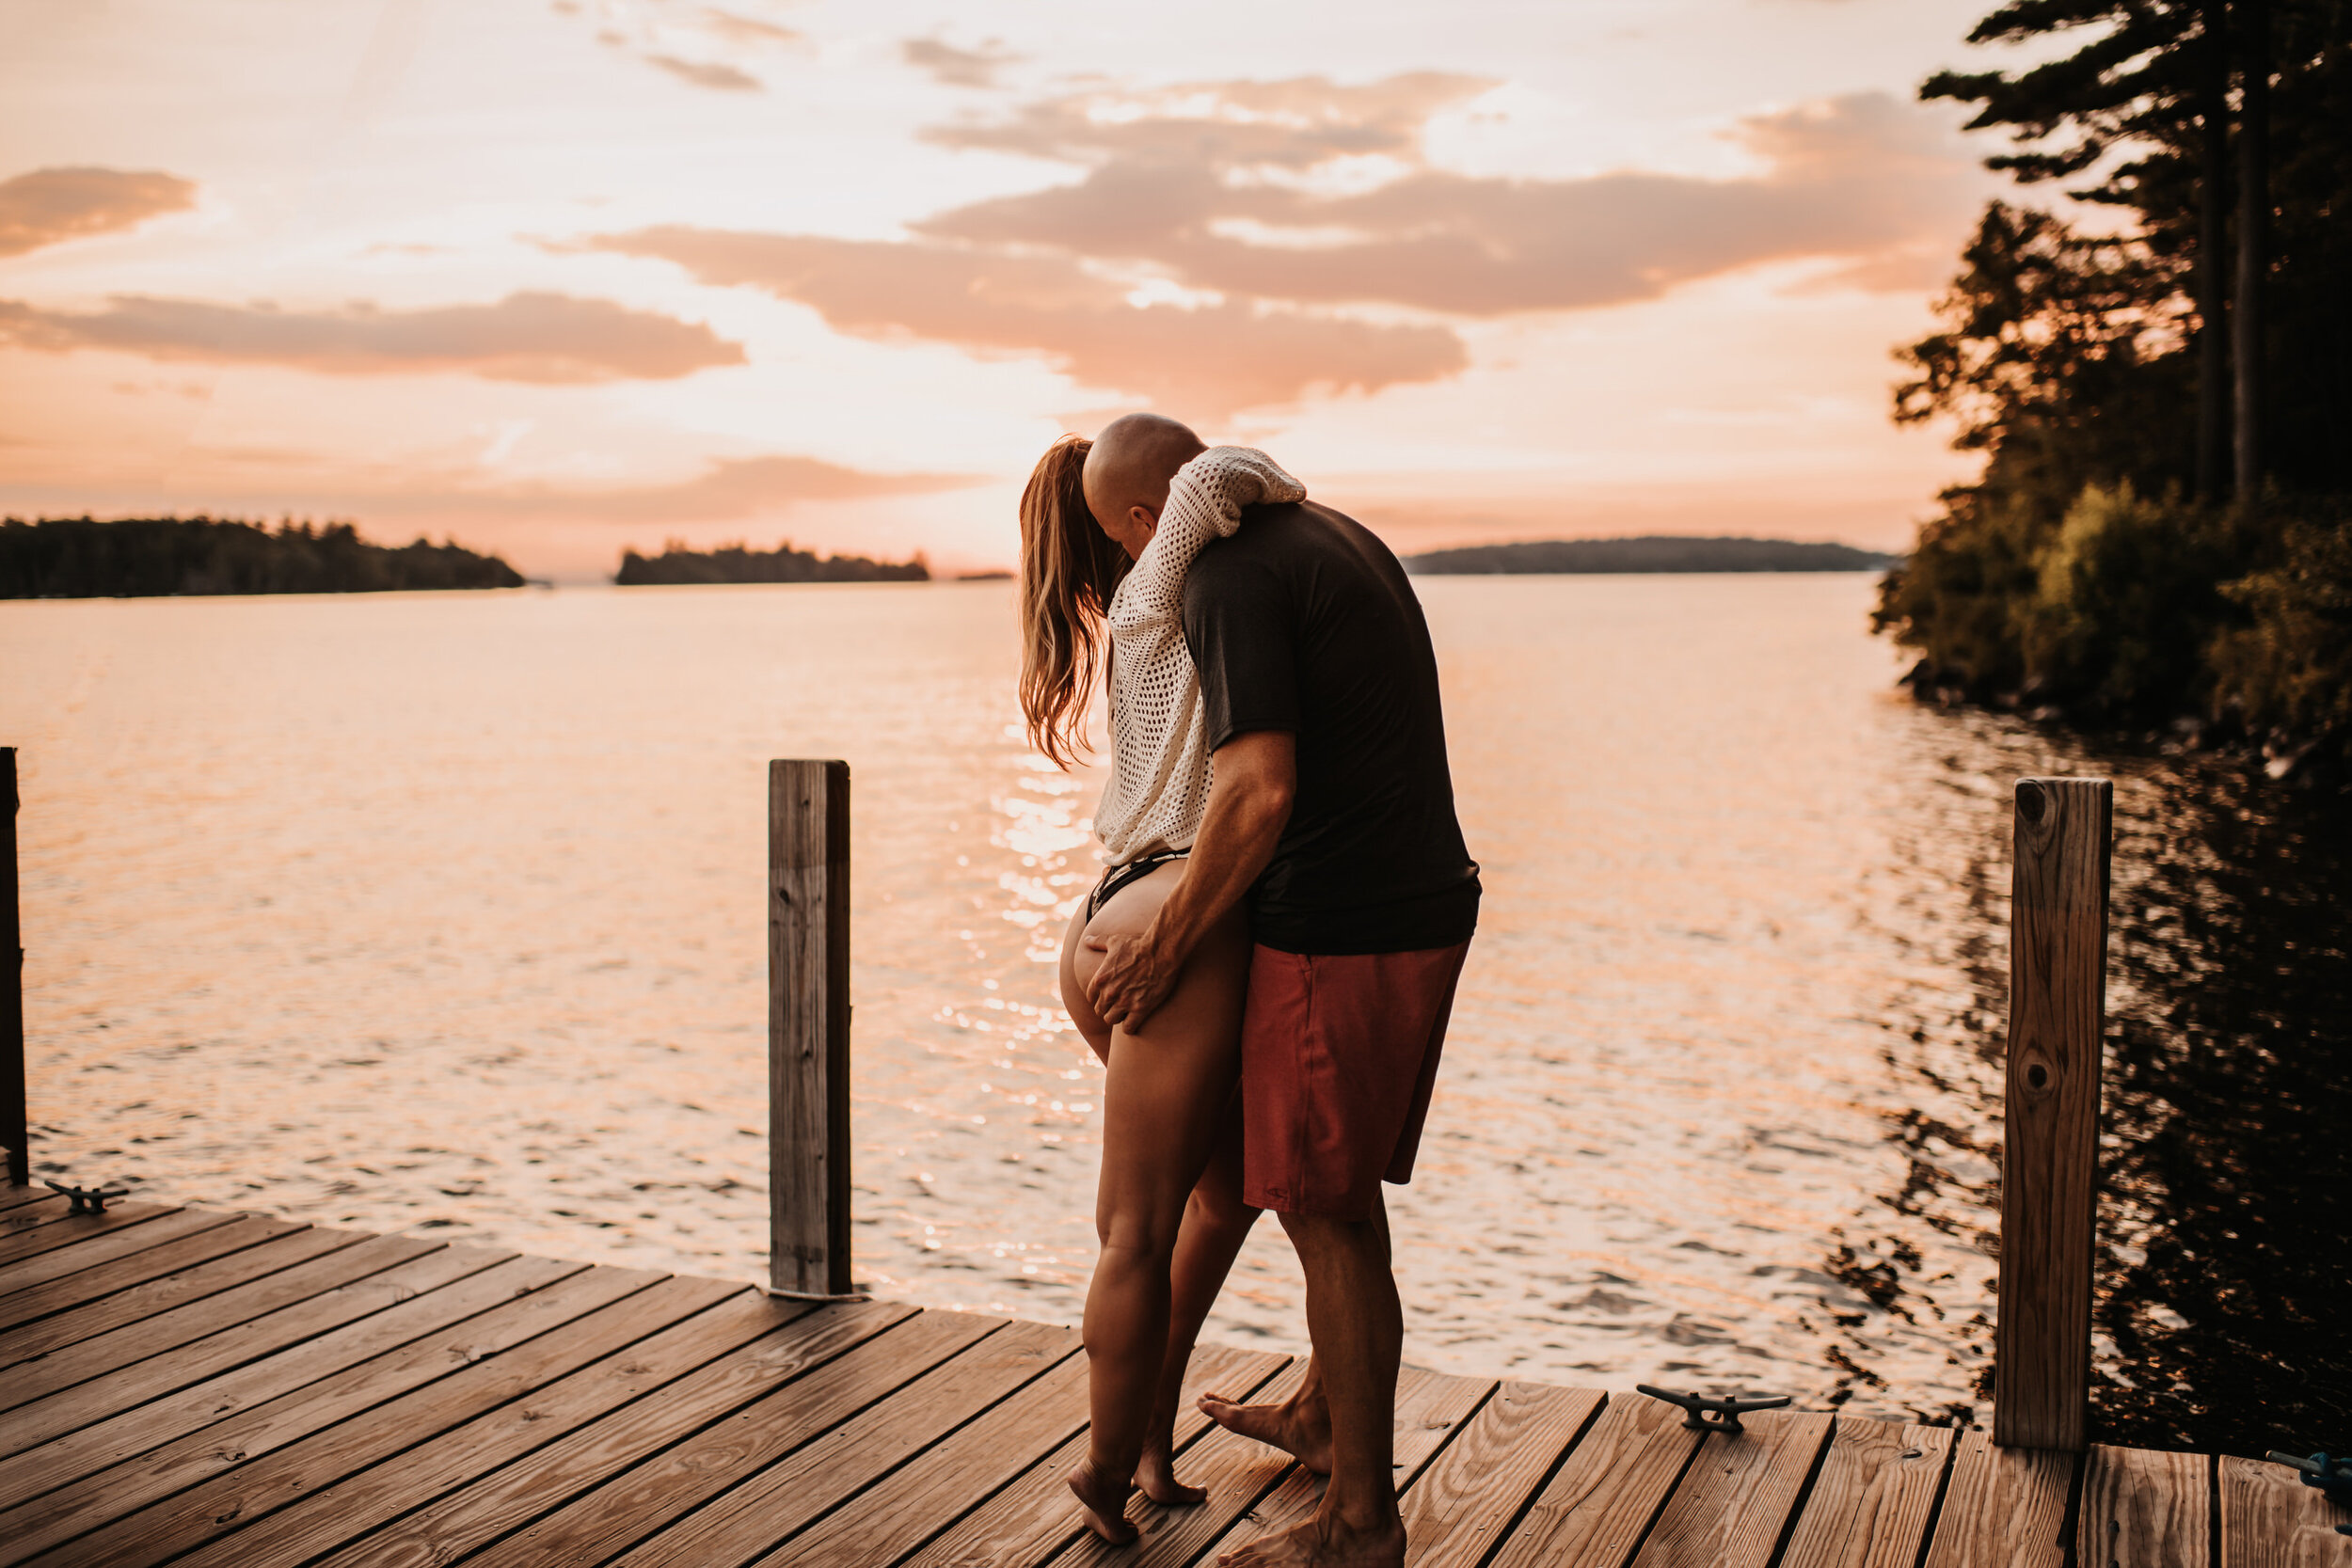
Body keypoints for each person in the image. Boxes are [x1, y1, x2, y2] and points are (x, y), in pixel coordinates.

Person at [1083, 430, 1480, 1568]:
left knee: (1329, 1217)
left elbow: (1256, 788)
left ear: (1146, 514)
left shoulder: (1220, 575)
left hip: (1339, 928)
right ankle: (1320, 1417)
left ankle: (1361, 1520)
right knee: (1336, 1192)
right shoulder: (1332, 532)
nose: (1136, 562)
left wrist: (1165, 937)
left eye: (1127, 538)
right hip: (1421, 898)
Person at [1017, 415, 1306, 1544]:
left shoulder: (1157, 603)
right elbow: (1238, 472)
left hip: (1111, 909)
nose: (1203, 487)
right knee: (1137, 1228)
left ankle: (1140, 1431)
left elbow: (1194, 484)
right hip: (1171, 925)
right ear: (1146, 516)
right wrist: (1226, 477)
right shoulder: (1159, 586)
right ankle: (1098, 1468)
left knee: (1219, 1193)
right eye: (1171, 488)